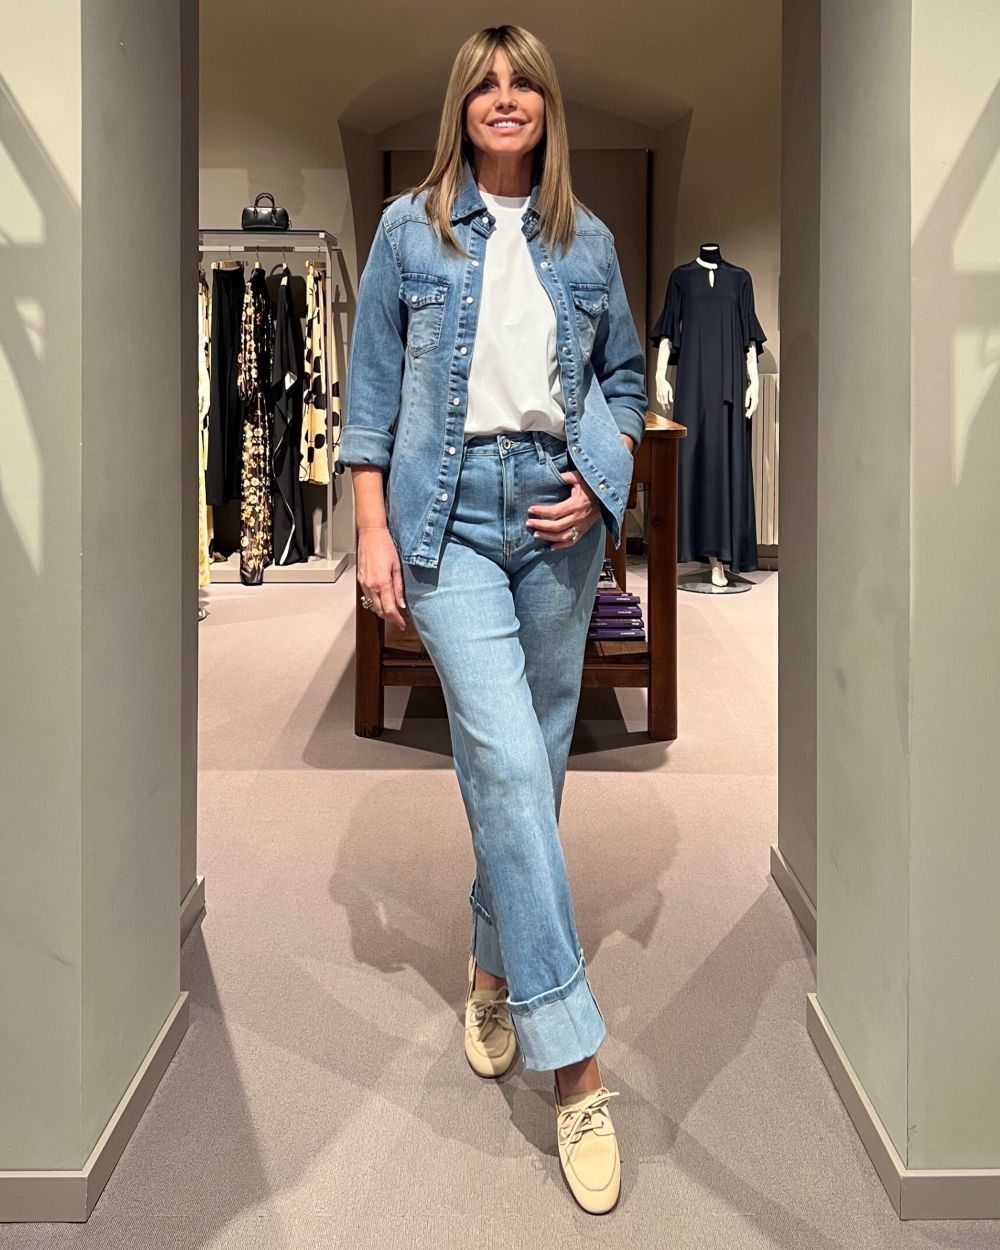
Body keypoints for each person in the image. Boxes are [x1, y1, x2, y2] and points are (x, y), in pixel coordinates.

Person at [339, 23, 647, 1215]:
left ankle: (489, 958)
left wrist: (602, 480)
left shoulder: (589, 241)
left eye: (523, 84)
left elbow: (624, 380)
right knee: (509, 762)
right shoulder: (407, 229)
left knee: (536, 766)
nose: (505, 98)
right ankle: (576, 1062)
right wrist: (371, 528)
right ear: (461, 108)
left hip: (557, 519)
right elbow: (370, 393)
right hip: (449, 519)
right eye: (485, 85)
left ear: (546, 106)